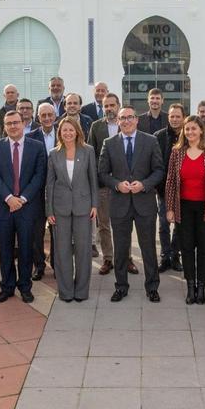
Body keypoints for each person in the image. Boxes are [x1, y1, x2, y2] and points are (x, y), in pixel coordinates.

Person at [98, 107, 164, 302]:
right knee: (121, 249)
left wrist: (144, 184)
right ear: (117, 121)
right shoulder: (109, 143)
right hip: (119, 204)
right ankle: (121, 286)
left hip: (144, 203)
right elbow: (102, 173)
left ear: (136, 120)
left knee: (148, 248)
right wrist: (117, 185)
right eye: (122, 118)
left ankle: (152, 287)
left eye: (130, 117)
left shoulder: (150, 141)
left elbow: (159, 170)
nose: (126, 121)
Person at [0, 111, 47, 303]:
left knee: (26, 249)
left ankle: (25, 287)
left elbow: (40, 175)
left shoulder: (37, 146)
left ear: (23, 123)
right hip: (3, 207)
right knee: (5, 250)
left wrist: (22, 199)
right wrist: (8, 198)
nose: (13, 126)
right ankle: (7, 286)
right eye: (9, 123)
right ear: (4, 126)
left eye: (16, 122)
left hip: (27, 207)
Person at [165, 115, 205, 304]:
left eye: (193, 128)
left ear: (201, 130)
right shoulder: (177, 152)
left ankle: (202, 286)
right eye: (187, 129)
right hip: (184, 207)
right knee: (187, 247)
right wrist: (170, 208)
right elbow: (170, 182)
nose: (190, 132)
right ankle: (191, 287)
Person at [45, 117, 98, 302]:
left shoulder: (88, 151)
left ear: (77, 132)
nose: (67, 133)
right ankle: (66, 291)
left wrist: (95, 205)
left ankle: (82, 291)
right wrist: (49, 210)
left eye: (71, 130)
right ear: (59, 133)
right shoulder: (53, 154)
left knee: (84, 250)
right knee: (62, 250)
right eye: (64, 130)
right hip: (60, 209)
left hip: (84, 207)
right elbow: (49, 184)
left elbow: (93, 180)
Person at [89, 93, 122, 274]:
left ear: (118, 105)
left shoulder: (125, 123)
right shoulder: (96, 126)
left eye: (112, 105)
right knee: (104, 224)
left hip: (124, 184)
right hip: (103, 184)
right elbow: (91, 153)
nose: (109, 109)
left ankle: (126, 258)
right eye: (106, 106)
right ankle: (108, 259)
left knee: (123, 223)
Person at [26, 103, 59, 281]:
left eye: (50, 115)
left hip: (58, 191)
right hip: (37, 192)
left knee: (57, 231)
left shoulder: (63, 134)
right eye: (43, 115)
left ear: (55, 116)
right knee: (36, 232)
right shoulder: (31, 137)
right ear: (38, 117)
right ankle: (39, 266)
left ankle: (56, 265)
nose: (47, 118)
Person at [153, 103, 184, 272]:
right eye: (172, 116)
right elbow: (156, 163)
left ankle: (175, 255)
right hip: (164, 189)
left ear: (183, 117)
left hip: (184, 190)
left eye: (178, 116)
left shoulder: (188, 136)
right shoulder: (159, 136)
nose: (174, 119)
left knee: (179, 225)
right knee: (164, 224)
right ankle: (165, 256)